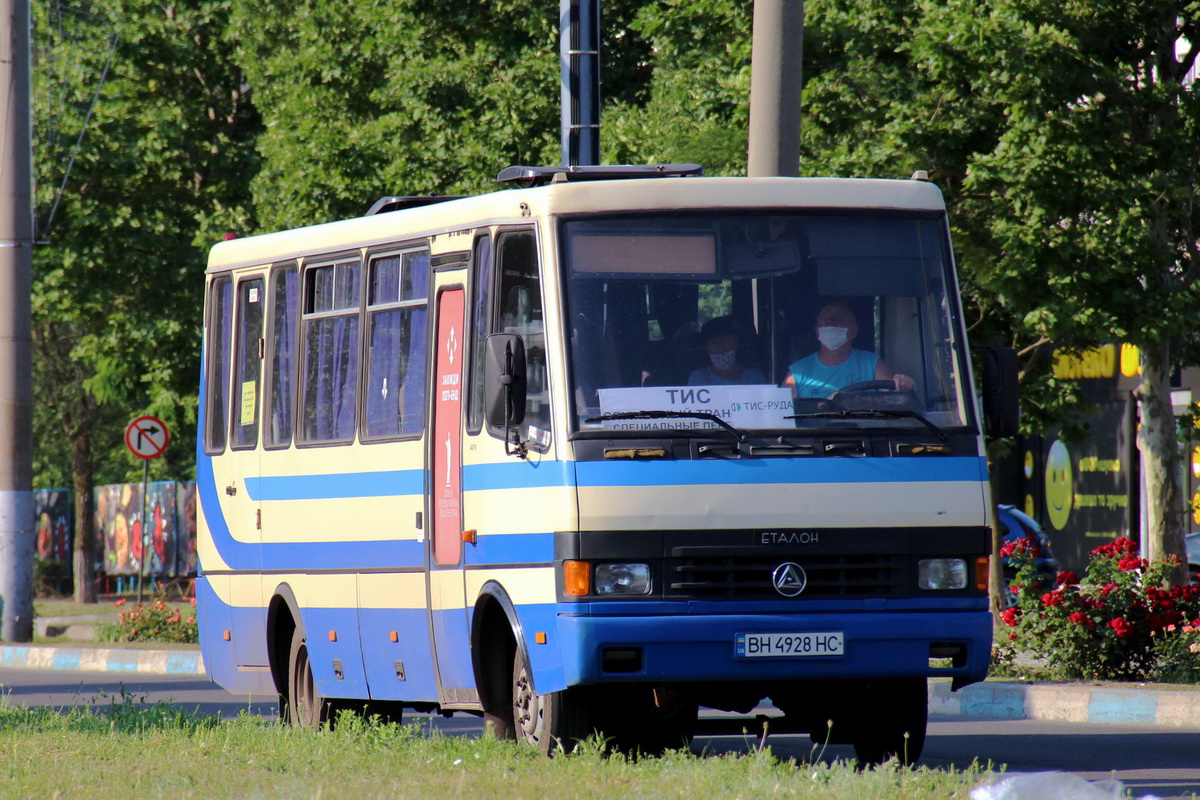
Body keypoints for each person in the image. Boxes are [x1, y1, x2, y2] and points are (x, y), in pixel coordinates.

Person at [784, 302, 915, 398]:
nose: (830, 322)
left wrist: (904, 386)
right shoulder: (797, 373)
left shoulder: (872, 364)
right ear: (817, 332)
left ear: (853, 331)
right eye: (825, 320)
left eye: (837, 319)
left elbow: (894, 399)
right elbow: (781, 415)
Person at [687, 316, 767, 386]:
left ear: (736, 341)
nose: (720, 348)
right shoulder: (700, 377)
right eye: (713, 343)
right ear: (706, 347)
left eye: (725, 340)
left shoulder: (755, 376)